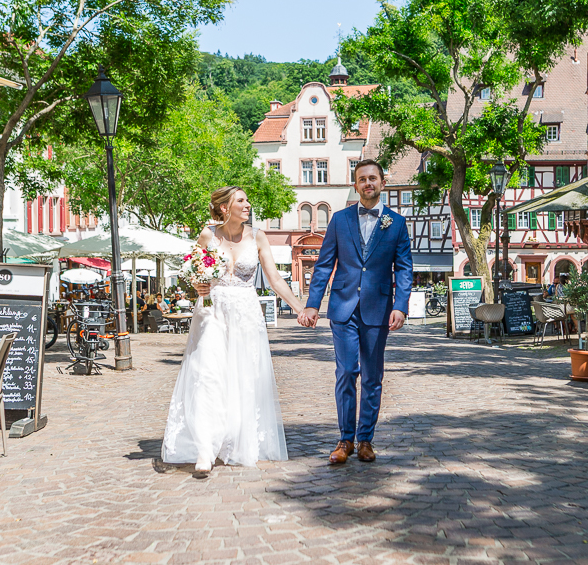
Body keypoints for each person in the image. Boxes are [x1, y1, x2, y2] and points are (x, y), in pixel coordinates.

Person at [162, 186, 303, 477]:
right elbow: (193, 273)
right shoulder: (207, 235)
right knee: (207, 374)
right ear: (225, 208)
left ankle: (235, 440)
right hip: (212, 311)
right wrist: (197, 285)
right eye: (241, 200)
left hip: (245, 312)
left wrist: (300, 308)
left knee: (242, 376)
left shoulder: (258, 236)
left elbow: (274, 278)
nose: (248, 204)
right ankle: (204, 448)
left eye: (247, 200)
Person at [298, 160, 413, 465]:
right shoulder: (339, 220)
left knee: (373, 376)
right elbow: (324, 265)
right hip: (343, 308)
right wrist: (313, 303)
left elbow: (403, 269)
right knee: (347, 372)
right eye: (362, 179)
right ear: (355, 185)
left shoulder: (397, 224)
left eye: (372, 178)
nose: (367, 183)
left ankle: (365, 440)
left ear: (382, 183)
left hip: (378, 308)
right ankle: (345, 439)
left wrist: (400, 306)